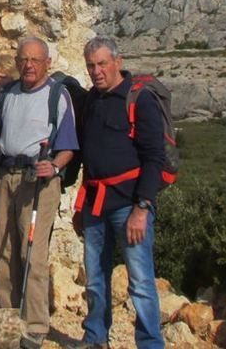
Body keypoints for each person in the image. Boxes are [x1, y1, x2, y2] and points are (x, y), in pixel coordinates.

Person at [0, 37, 78, 349]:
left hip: (39, 183)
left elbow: (67, 147)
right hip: (5, 178)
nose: (28, 65)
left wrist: (54, 166)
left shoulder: (57, 95)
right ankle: (9, 316)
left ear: (47, 64)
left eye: (35, 60)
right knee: (2, 249)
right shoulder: (7, 95)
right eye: (23, 59)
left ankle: (36, 325)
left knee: (32, 253)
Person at [73, 37, 166, 349]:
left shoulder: (139, 100)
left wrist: (142, 209)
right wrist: (79, 208)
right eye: (90, 65)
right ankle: (95, 337)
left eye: (101, 64)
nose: (96, 71)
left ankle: (150, 343)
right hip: (95, 204)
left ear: (117, 62)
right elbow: (87, 157)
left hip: (129, 205)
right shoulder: (90, 102)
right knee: (96, 278)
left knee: (140, 281)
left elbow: (155, 158)